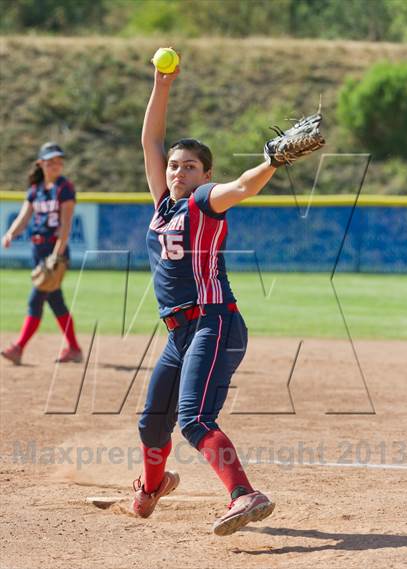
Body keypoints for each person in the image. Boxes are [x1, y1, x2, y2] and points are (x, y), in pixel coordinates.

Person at [133, 56, 281, 537]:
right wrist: (161, 85)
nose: (177, 171)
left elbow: (241, 187)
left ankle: (245, 495)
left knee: (194, 419)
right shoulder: (164, 203)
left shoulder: (203, 200)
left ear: (204, 173)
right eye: (175, 165)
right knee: (152, 423)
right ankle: (152, 486)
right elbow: (150, 141)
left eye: (189, 166)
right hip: (179, 331)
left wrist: (272, 163)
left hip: (214, 322)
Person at [1, 142, 83, 365]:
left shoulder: (64, 187)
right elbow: (24, 217)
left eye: (59, 161)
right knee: (56, 302)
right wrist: (10, 234)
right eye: (51, 160)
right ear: (41, 163)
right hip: (38, 251)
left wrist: (57, 254)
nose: (56, 164)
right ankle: (74, 349)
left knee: (35, 299)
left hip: (55, 250)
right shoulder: (35, 189)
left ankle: (18, 347)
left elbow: (66, 225)